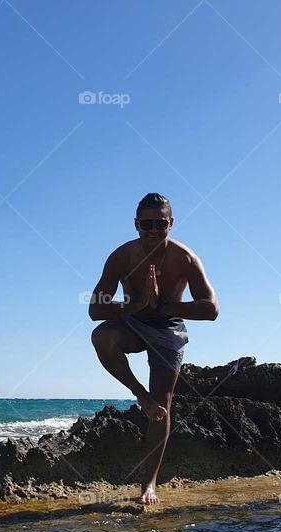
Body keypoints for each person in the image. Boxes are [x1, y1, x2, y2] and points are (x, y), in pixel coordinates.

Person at [89, 193, 219, 504]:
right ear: (136, 224)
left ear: (171, 224)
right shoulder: (121, 257)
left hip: (168, 328)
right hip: (132, 323)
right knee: (101, 337)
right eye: (146, 224)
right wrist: (135, 303)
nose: (153, 230)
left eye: (160, 223)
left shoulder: (185, 258)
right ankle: (140, 395)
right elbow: (96, 309)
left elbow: (211, 309)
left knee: (163, 407)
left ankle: (149, 485)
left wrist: (164, 305)